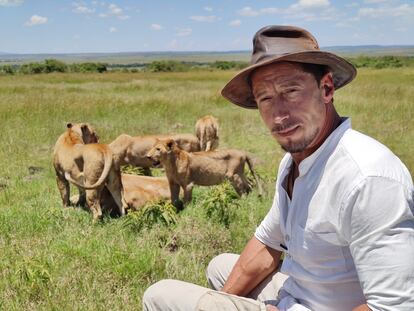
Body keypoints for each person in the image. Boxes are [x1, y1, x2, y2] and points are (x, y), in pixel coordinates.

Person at [143, 25, 414, 311]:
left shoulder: (368, 178)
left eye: (291, 91)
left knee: (159, 294)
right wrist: (224, 302)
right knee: (220, 265)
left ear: (327, 88)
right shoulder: (294, 162)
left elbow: (394, 307)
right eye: (266, 98)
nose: (280, 114)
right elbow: (267, 243)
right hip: (299, 293)